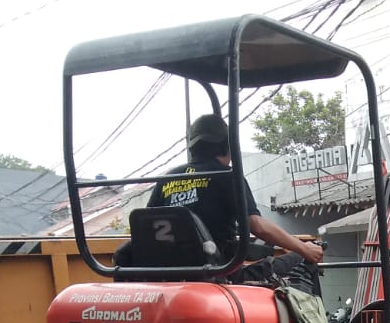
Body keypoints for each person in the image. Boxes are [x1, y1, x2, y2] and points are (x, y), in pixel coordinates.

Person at [131, 113, 324, 286]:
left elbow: (145, 229)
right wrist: (304, 249)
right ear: (227, 145)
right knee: (299, 259)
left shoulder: (168, 178)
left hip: (172, 276)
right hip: (220, 274)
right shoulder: (226, 176)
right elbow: (257, 225)